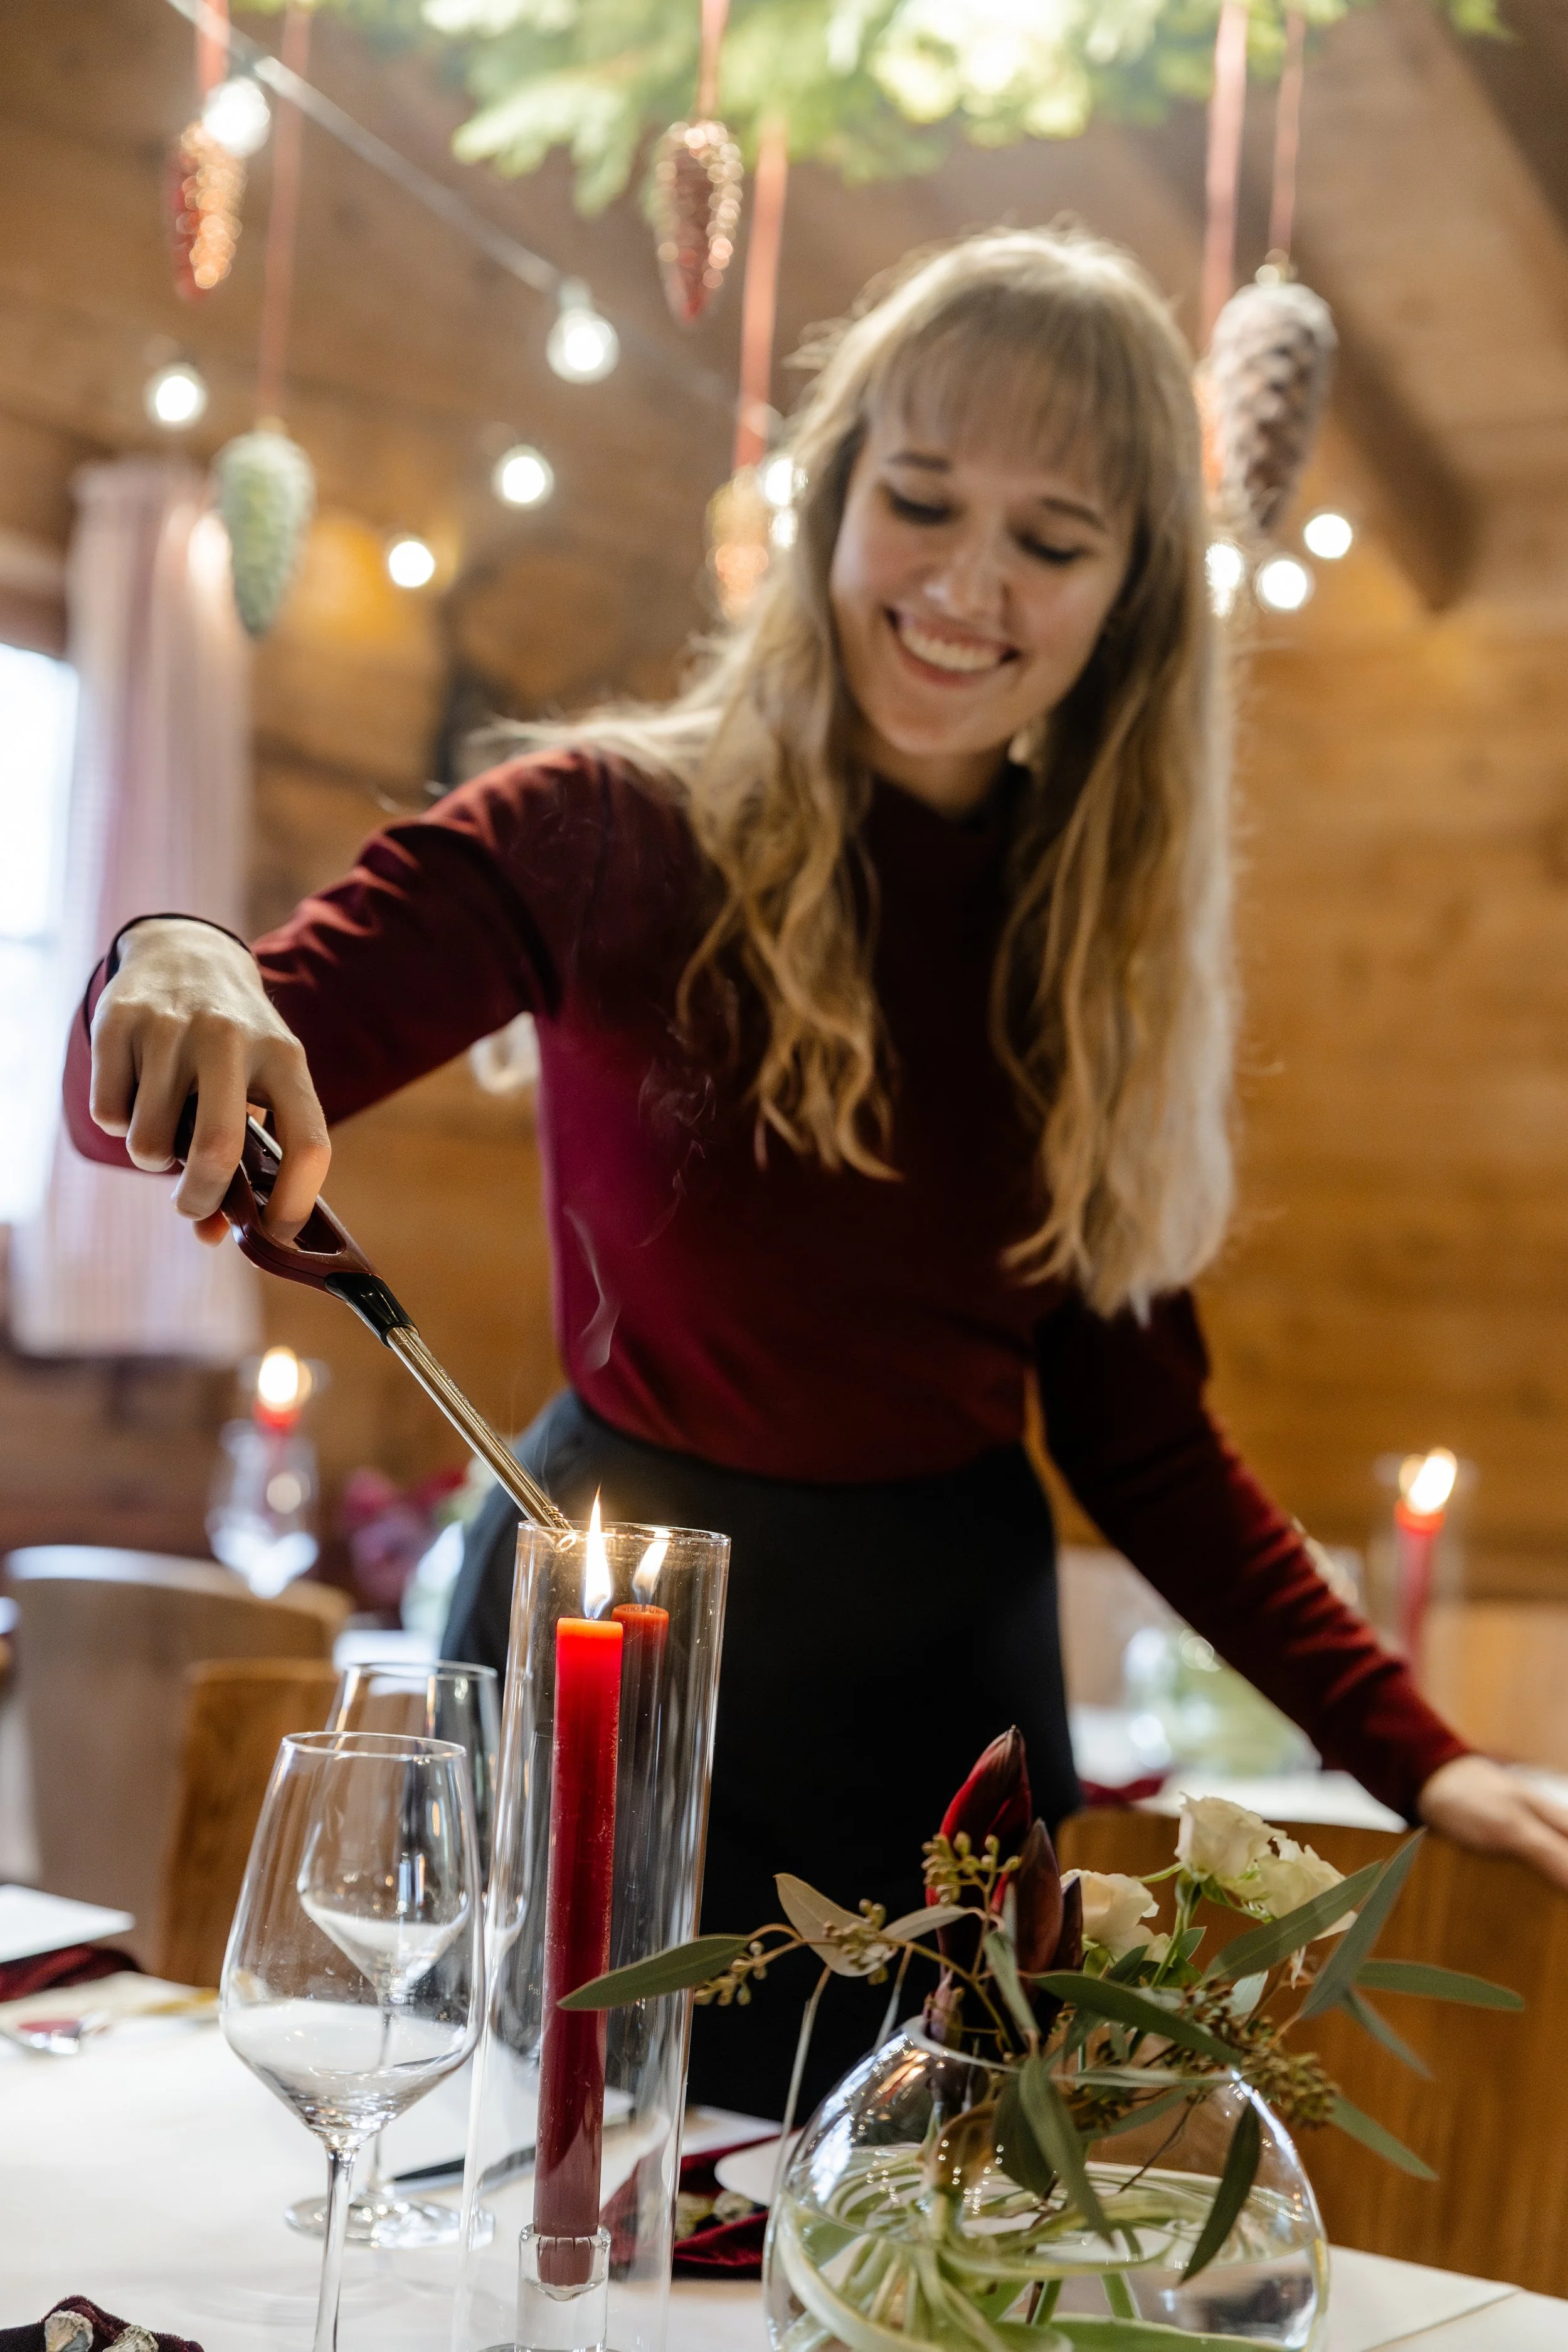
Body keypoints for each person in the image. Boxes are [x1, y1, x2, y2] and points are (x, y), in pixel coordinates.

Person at [66, 228, 1568, 2116]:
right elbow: (164, 1073)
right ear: (832, 502)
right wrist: (168, 953)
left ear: (1132, 595)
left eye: (1053, 538)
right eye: (921, 499)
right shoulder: (602, 827)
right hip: (606, 1641)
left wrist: (1408, 1749)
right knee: (539, 2207)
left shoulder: (1097, 948)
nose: (964, 584)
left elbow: (1143, 1440)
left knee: (900, 2237)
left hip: (945, 1715)